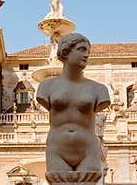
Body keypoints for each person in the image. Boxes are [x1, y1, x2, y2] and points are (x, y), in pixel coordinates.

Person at [36, 33, 110, 173]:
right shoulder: (46, 87)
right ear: (65, 51)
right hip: (57, 150)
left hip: (88, 151)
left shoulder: (99, 89)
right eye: (81, 49)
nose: (86, 55)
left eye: (88, 51)